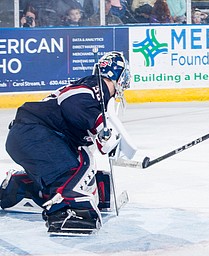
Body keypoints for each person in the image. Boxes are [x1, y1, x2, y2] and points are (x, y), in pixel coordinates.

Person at [0, 51, 134, 235]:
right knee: (79, 164)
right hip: (34, 134)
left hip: (25, 136)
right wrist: (99, 127)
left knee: (79, 162)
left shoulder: (93, 90)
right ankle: (67, 211)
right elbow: (72, 102)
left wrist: (102, 138)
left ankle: (18, 190)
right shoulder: (97, 86)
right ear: (119, 75)